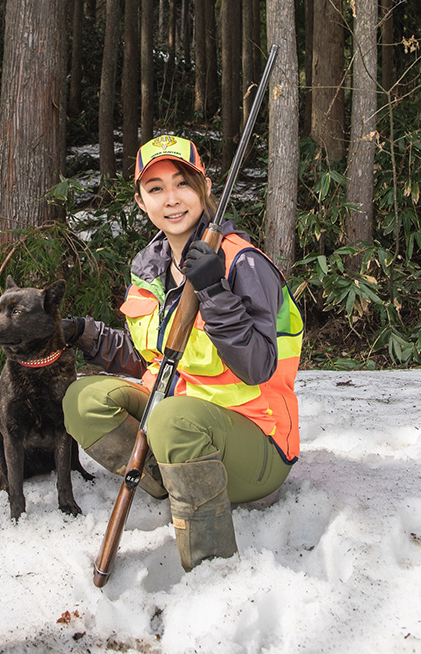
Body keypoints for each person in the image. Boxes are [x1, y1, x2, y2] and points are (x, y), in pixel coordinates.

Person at [62, 134, 303, 572]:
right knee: (83, 400)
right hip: (181, 430)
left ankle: (212, 572)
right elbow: (153, 358)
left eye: (182, 184)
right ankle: (167, 479)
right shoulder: (149, 268)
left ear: (204, 188)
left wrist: (214, 290)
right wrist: (86, 335)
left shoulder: (243, 263)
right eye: (156, 189)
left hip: (256, 442)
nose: (171, 200)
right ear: (140, 201)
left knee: (172, 419)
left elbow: (257, 366)